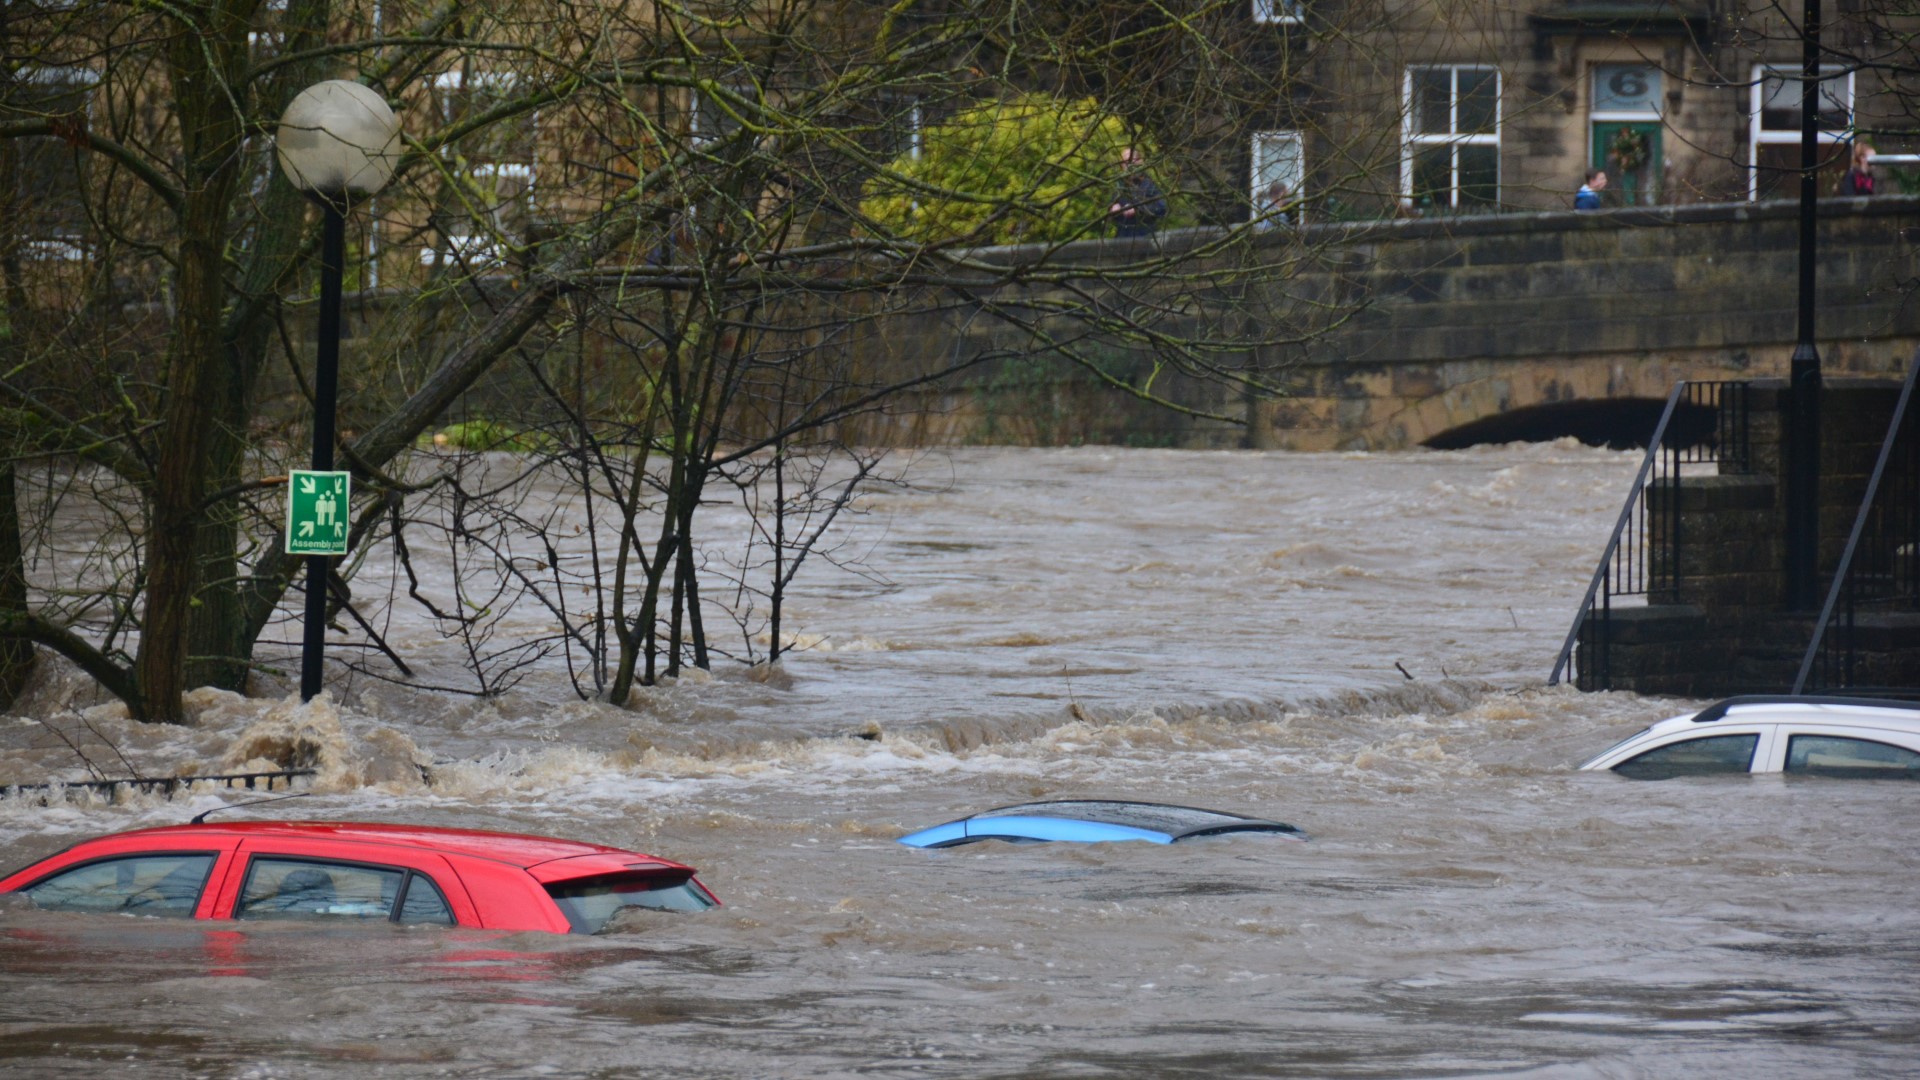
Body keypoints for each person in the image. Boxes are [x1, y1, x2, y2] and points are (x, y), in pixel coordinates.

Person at [1109, 148, 1167, 238]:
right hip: (1123, 238)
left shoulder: (1150, 184)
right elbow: (1111, 209)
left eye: (1132, 161)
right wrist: (1113, 209)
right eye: (1125, 163)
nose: (1129, 166)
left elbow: (1161, 208)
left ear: (1140, 162)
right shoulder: (1120, 186)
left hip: (1145, 237)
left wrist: (1137, 210)